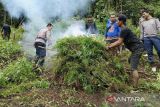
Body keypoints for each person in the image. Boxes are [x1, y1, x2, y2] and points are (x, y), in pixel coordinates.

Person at [106, 15, 144, 87]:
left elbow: (119, 42)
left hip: (137, 49)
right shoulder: (124, 29)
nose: (116, 22)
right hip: (136, 48)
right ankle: (133, 76)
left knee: (133, 67)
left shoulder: (124, 30)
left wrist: (109, 46)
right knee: (130, 60)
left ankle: (135, 86)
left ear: (121, 21)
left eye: (117, 21)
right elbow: (120, 40)